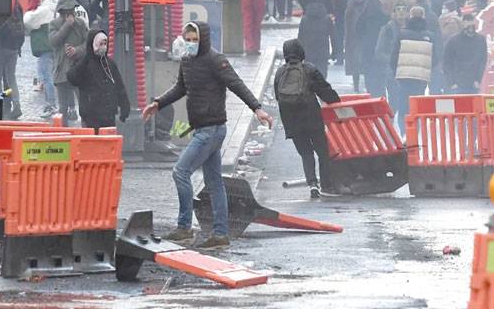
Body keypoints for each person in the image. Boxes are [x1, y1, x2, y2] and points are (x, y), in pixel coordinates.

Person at [142, 22, 272, 249]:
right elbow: (181, 88)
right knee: (214, 182)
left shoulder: (215, 60)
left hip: (212, 130)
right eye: (188, 39)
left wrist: (257, 108)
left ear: (203, 39)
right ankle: (220, 235)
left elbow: (236, 84)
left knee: (180, 172)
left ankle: (184, 228)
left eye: (195, 40)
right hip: (202, 128)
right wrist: (158, 103)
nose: (191, 44)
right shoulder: (186, 61)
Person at [274, 39, 341, 198]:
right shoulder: (309, 69)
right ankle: (327, 185)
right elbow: (324, 90)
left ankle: (312, 184)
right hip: (312, 118)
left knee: (305, 153)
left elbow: (278, 96)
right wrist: (336, 102)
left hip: (291, 121)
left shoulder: (280, 73)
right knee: (323, 152)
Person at [67, 29, 130, 131]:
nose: (104, 46)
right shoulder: (84, 63)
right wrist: (87, 57)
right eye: (101, 43)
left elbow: (119, 86)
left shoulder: (110, 64)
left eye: (105, 43)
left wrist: (124, 107)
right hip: (90, 117)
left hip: (108, 115)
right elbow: (73, 78)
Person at [391, 6, 437, 134]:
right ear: (423, 17)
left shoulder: (402, 34)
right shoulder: (430, 36)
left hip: (404, 77)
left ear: (410, 17)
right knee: (417, 106)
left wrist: (397, 72)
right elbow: (436, 59)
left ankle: (404, 133)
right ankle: (415, 133)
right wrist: (426, 70)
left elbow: (394, 56)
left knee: (404, 106)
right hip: (421, 78)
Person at [49, 0, 88, 124]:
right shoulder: (54, 24)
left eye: (72, 10)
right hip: (62, 70)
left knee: (84, 105)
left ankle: (86, 131)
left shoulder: (81, 24)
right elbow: (53, 41)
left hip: (78, 69)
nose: (70, 13)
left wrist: (77, 50)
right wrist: (67, 25)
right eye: (67, 11)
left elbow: (88, 43)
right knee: (63, 107)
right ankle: (63, 133)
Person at [24, 0, 58, 118]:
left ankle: (51, 105)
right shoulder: (58, 7)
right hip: (56, 47)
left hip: (46, 48)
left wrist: (28, 13)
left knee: (46, 77)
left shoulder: (45, 9)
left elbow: (29, 20)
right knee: (56, 77)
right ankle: (67, 107)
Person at [375, 0, 409, 120]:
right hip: (392, 71)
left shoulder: (411, 28)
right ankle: (391, 129)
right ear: (393, 13)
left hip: (408, 70)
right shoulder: (387, 29)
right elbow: (379, 52)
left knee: (407, 103)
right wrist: (393, 59)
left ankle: (405, 130)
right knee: (394, 101)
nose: (401, 13)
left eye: (403, 10)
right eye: (398, 10)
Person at [0, 3, 25, 120]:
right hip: (13, 47)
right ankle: (17, 105)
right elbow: (22, 28)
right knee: (11, 77)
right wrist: (18, 46)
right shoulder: (17, 6)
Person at [442, 14, 488, 94]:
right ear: (463, 25)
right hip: (457, 85)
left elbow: (482, 61)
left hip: (473, 84)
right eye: (468, 26)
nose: (471, 29)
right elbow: (446, 63)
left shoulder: (481, 40)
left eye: (472, 26)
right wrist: (452, 83)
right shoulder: (453, 41)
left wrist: (478, 80)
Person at [330, 0, 360, 65]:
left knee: (350, 35)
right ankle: (339, 56)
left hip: (351, 12)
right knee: (339, 35)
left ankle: (349, 57)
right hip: (339, 12)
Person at [298, 0, 333, 78]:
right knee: (322, 76)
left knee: (309, 76)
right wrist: (335, 52)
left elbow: (300, 37)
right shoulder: (327, 19)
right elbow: (333, 37)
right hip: (323, 52)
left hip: (308, 52)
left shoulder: (304, 19)